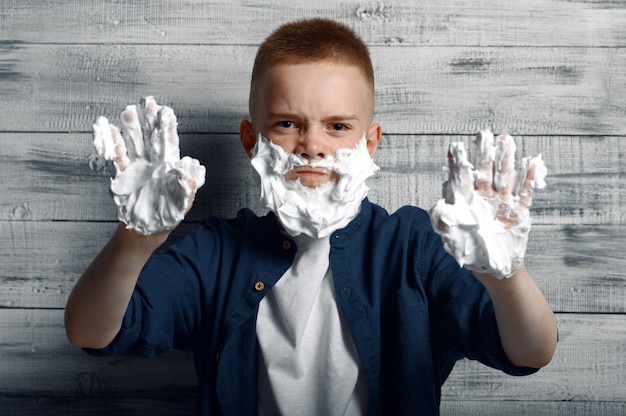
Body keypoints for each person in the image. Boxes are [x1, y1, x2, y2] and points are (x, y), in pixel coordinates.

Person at [65, 18, 557, 415]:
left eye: (337, 126)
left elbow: (530, 352)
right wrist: (136, 239)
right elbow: (91, 332)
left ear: (369, 143)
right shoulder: (215, 253)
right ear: (251, 140)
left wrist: (505, 276)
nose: (313, 146)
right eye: (286, 124)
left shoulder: (413, 247)